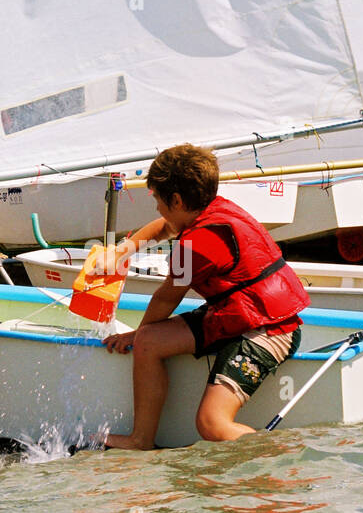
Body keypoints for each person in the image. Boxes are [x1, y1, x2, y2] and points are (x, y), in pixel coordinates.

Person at [100, 144, 310, 450]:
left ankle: (285, 456)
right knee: (150, 342)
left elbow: (165, 299)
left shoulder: (193, 247)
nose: (157, 208)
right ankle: (141, 439)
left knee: (211, 423)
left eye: (158, 200)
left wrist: (135, 333)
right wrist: (123, 250)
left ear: (176, 200)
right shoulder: (213, 208)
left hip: (270, 329)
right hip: (237, 315)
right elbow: (165, 226)